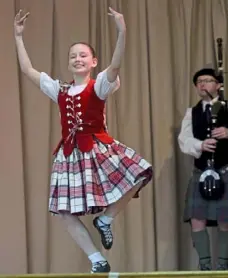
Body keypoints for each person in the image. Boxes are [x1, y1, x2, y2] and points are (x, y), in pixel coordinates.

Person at [14, 8, 153, 273]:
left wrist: (122, 31)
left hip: (97, 148)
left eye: (83, 55)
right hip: (70, 155)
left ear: (93, 62)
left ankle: (106, 219)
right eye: (73, 56)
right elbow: (27, 70)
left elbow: (116, 66)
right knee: (64, 212)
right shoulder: (60, 90)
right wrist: (18, 37)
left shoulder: (99, 85)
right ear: (68, 63)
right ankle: (96, 259)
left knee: (139, 175)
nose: (77, 59)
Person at [178, 67, 228, 271]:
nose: (203, 84)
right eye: (199, 82)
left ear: (218, 85)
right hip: (201, 172)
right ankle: (204, 267)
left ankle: (222, 265)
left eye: (208, 80)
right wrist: (200, 145)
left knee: (225, 220)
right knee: (197, 219)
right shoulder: (192, 112)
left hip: (227, 170)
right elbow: (183, 140)